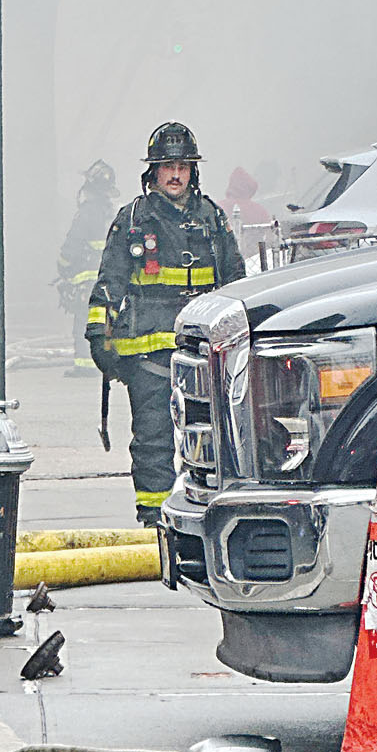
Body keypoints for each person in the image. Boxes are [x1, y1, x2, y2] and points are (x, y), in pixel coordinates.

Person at [87, 122, 247, 525]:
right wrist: (98, 336)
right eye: (167, 166)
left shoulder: (212, 219)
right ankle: (154, 516)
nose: (176, 174)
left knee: (216, 436)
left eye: (183, 166)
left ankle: (211, 510)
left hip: (205, 353)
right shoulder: (133, 220)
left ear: (193, 171)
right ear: (153, 172)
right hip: (147, 356)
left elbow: (238, 282)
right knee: (154, 439)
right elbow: (109, 283)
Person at [56, 159, 119, 363]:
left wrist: (63, 267)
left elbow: (71, 246)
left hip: (86, 280)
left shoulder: (86, 213)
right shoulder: (112, 211)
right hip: (107, 278)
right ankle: (102, 361)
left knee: (84, 322)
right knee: (105, 321)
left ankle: (84, 363)